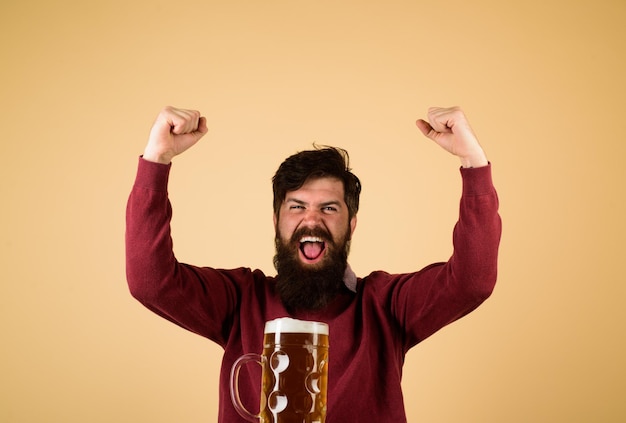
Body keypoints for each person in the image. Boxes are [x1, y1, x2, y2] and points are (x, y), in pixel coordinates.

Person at [125, 105, 502, 422]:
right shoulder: (241, 299)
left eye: (329, 208)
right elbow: (150, 282)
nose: (311, 220)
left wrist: (473, 161)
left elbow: (472, 281)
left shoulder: (385, 305)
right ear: (276, 221)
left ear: (350, 225)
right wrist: (157, 158)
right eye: (297, 207)